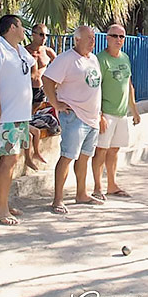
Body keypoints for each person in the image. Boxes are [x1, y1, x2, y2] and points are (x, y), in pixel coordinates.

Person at [43, 26, 102, 214]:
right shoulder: (66, 59)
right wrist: (56, 103)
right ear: (77, 40)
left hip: (92, 117)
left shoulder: (93, 59)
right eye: (88, 38)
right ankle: (58, 199)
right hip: (74, 115)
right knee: (68, 156)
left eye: (93, 38)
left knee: (85, 156)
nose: (92, 41)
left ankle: (81, 193)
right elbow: (47, 80)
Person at [0, 15, 36, 226]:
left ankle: (4, 201)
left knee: (13, 159)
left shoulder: (21, 51)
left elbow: (34, 66)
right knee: (8, 159)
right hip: (7, 116)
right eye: (21, 26)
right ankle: (0, 208)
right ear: (12, 27)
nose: (24, 30)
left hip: (21, 114)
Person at [91, 25, 141, 200]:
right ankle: (97, 187)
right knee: (101, 151)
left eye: (122, 36)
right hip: (106, 113)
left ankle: (112, 185)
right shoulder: (100, 60)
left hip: (121, 113)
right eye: (114, 36)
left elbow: (128, 84)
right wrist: (99, 115)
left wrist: (134, 110)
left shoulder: (125, 58)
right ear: (107, 38)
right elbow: (94, 89)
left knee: (114, 150)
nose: (118, 40)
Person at [26, 23, 57, 109]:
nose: (44, 38)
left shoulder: (48, 52)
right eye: (41, 34)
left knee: (37, 114)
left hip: (41, 88)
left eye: (46, 35)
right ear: (33, 34)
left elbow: (59, 67)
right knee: (23, 116)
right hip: (26, 87)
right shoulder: (24, 51)